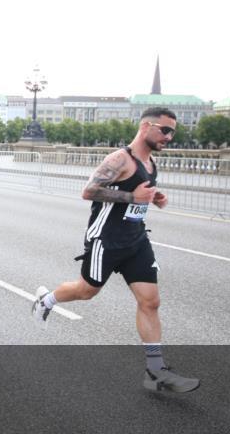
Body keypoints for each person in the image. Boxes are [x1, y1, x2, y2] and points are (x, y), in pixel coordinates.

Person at [31, 107, 199, 393]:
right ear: (146, 126)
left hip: (135, 241)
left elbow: (138, 196)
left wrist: (152, 198)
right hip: (105, 241)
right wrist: (131, 196)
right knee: (86, 291)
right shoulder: (119, 159)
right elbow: (88, 192)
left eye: (173, 131)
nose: (169, 136)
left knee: (151, 302)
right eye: (165, 130)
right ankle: (46, 300)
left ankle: (156, 372)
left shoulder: (151, 162)